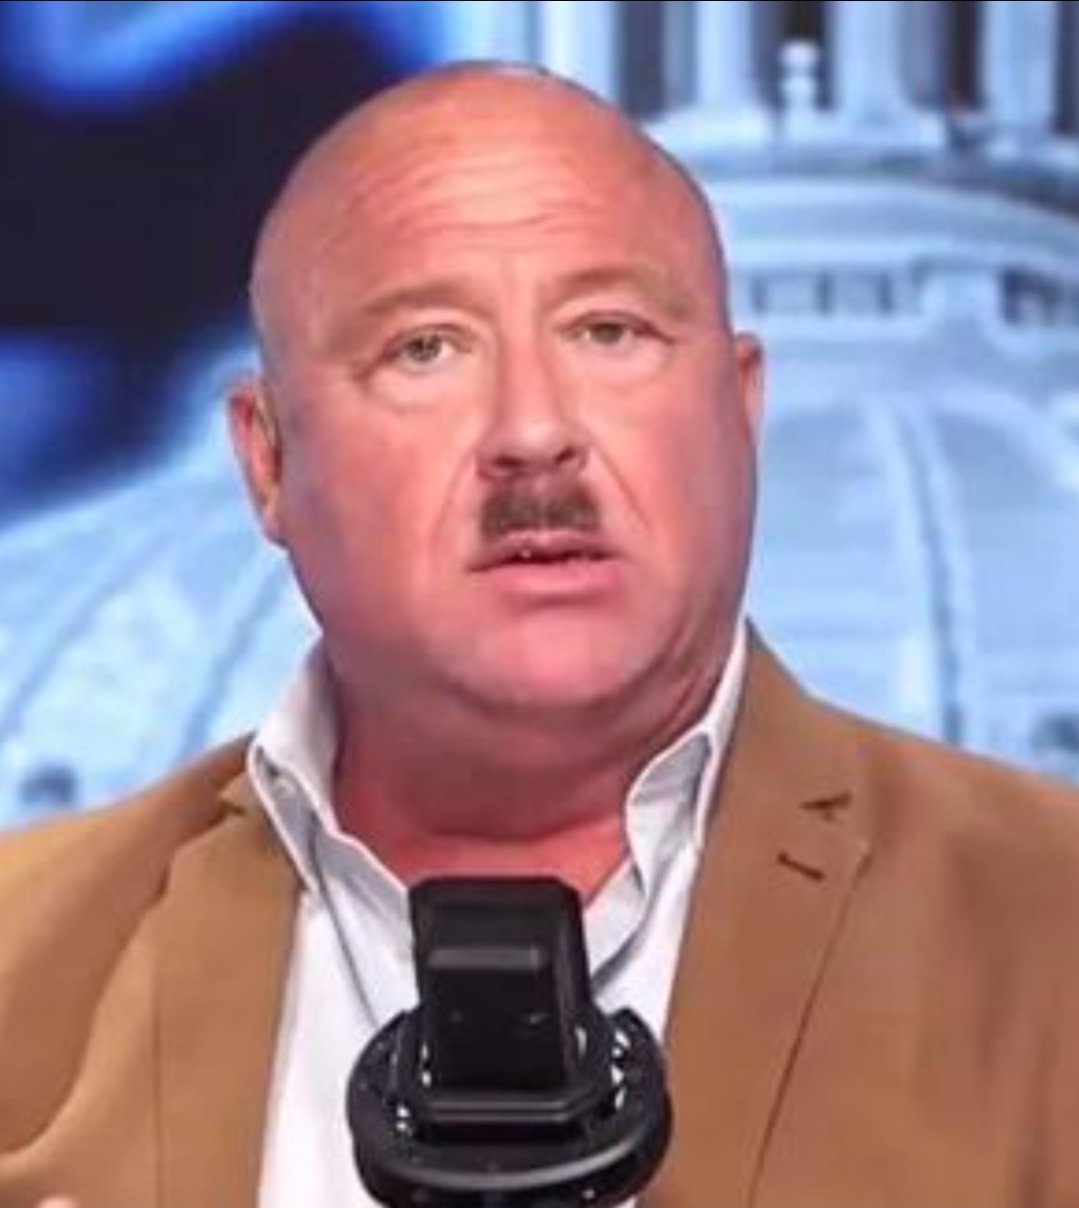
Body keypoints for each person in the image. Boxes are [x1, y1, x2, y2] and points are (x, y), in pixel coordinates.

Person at [3, 62, 1079, 1208]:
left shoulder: (1047, 929)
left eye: (609, 331)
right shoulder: (25, 953)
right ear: (267, 458)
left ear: (738, 406)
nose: (531, 431)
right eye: (423, 347)